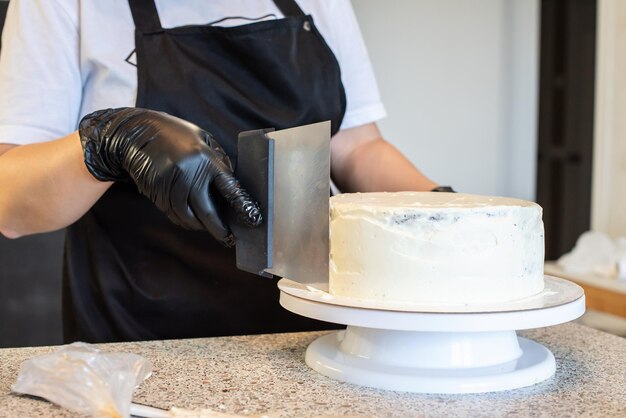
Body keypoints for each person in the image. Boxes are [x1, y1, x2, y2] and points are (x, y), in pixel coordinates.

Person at [0, 0, 441, 343]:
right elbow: (10, 203)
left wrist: (449, 213)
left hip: (314, 330)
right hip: (144, 338)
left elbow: (355, 147)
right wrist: (106, 144)